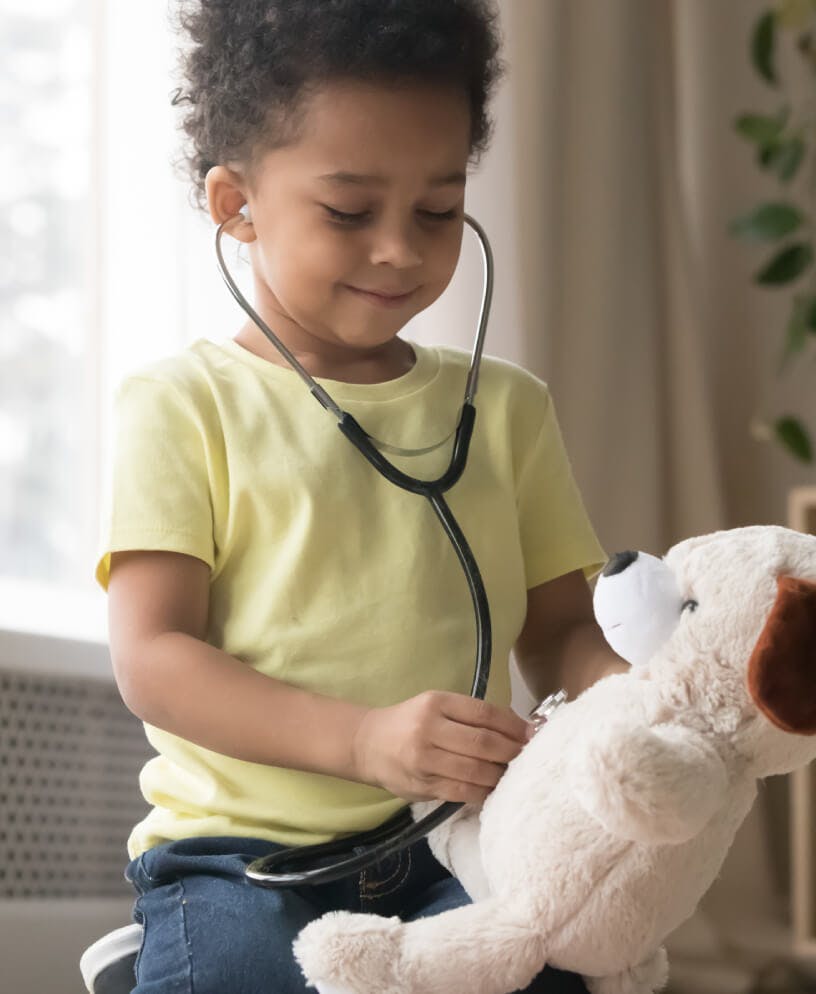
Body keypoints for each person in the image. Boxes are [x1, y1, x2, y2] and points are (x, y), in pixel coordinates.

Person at [95, 2, 628, 991]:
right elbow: (154, 658)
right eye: (348, 211)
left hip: (457, 841)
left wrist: (624, 699)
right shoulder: (182, 404)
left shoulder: (507, 409)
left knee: (550, 967)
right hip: (240, 859)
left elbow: (559, 627)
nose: (399, 248)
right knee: (247, 973)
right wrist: (365, 740)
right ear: (234, 204)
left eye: (437, 209)